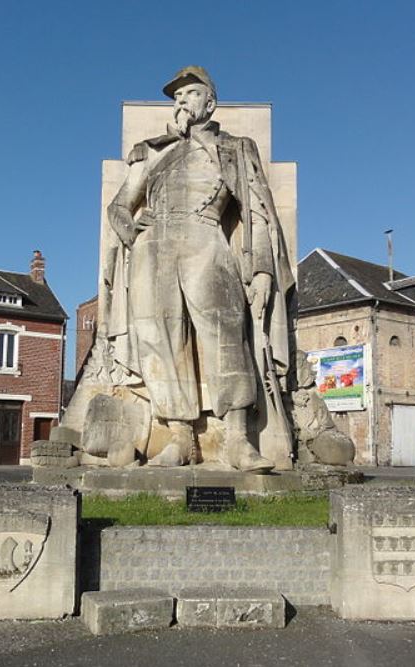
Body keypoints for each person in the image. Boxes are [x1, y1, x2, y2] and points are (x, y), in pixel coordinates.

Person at [104, 66, 294, 472]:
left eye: (189, 94)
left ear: (210, 101)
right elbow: (119, 206)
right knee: (159, 342)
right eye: (176, 97)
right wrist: (131, 229)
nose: (181, 102)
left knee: (225, 336)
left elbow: (258, 213)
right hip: (152, 251)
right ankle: (181, 439)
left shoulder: (236, 148)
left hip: (206, 240)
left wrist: (262, 269)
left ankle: (239, 441)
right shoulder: (152, 151)